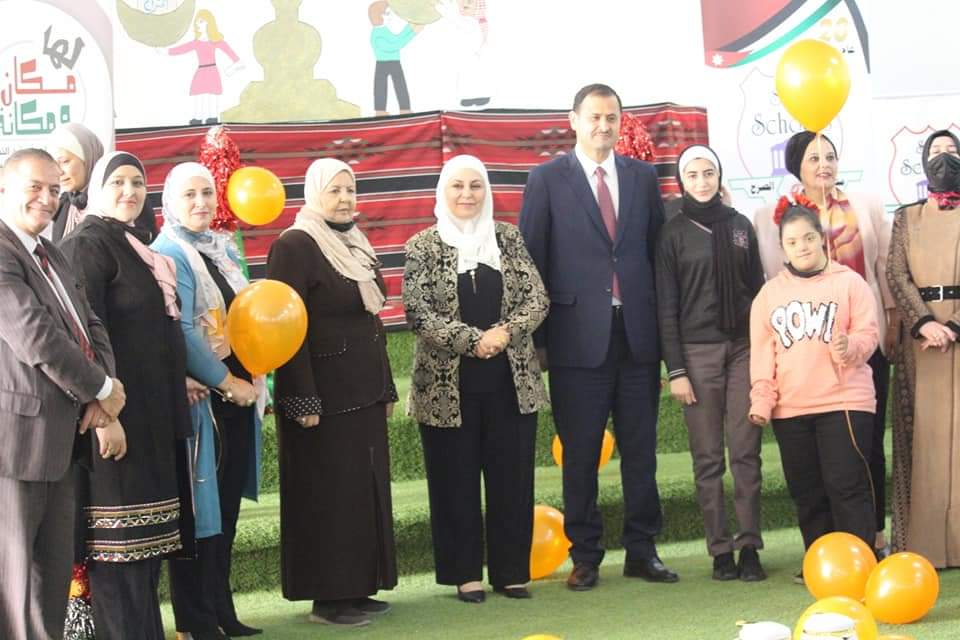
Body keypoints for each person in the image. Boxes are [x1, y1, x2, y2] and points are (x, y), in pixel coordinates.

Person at [519, 83, 676, 590]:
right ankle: (585, 555)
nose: (603, 126)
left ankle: (642, 550)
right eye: (594, 117)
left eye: (611, 118)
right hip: (574, 343)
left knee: (641, 454)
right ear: (574, 120)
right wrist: (539, 344)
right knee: (581, 455)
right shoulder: (547, 180)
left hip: (636, 339)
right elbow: (531, 264)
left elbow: (655, 254)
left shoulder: (642, 177)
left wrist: (661, 339)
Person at [59, 152, 192, 639]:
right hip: (115, 426)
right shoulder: (87, 245)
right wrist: (103, 415)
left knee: (144, 562)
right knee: (118, 564)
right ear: (97, 188)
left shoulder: (134, 243)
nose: (129, 192)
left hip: (150, 422)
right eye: (117, 182)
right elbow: (83, 336)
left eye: (137, 182)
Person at [404, 155, 549, 603]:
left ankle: (511, 572)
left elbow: (537, 298)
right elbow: (418, 311)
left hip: (511, 384)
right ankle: (464, 574)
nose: (467, 194)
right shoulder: (422, 245)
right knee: (454, 483)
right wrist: (473, 341)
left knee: (512, 481)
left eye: (476, 186)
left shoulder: (508, 238)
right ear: (443, 191)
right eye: (458, 186)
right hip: (446, 390)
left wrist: (504, 333)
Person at [0, 148, 126, 639]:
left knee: (50, 583)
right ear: (4, 188)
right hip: (17, 445)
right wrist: (101, 387)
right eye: (34, 187)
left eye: (55, 189)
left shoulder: (50, 252)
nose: (47, 199)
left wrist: (104, 390)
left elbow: (90, 325)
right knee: (15, 587)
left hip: (62, 440)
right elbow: (36, 337)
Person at [267, 158, 398, 627]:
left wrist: (385, 388)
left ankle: (357, 587)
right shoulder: (294, 245)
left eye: (350, 190)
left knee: (360, 491)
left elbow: (371, 321)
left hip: (362, 391)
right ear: (313, 193)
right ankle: (329, 598)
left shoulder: (353, 242)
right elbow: (285, 328)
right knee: (328, 495)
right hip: (322, 397)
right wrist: (302, 399)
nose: (344, 199)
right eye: (334, 190)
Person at [754, 131, 895, 557]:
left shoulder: (863, 206)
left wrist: (883, 326)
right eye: (814, 158)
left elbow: (883, 266)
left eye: (830, 156)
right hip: (803, 353)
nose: (824, 165)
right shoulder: (773, 216)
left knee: (863, 454)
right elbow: (771, 285)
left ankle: (870, 540)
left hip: (861, 344)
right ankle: (825, 556)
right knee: (812, 480)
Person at [153, 162, 262, 640]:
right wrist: (225, 380)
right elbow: (179, 330)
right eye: (189, 195)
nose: (200, 202)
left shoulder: (220, 248)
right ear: (169, 203)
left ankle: (221, 610)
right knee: (200, 512)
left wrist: (249, 379)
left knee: (226, 509)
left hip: (237, 395)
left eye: (206, 193)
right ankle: (195, 619)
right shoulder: (167, 253)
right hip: (204, 398)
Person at [655, 145, 766, 581]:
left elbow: (758, 292)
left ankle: (750, 545)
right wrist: (676, 371)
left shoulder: (740, 226)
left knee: (746, 452)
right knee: (707, 459)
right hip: (696, 354)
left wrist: (763, 354)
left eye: (709, 173)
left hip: (743, 350)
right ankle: (720, 550)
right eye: (693, 175)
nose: (702, 182)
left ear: (719, 177)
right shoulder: (672, 233)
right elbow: (666, 308)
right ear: (682, 181)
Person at [886, 129, 960, 568]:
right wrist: (925, 322)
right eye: (936, 151)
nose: (944, 158)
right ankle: (921, 545)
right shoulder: (906, 217)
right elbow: (896, 273)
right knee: (920, 440)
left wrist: (954, 324)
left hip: (956, 330)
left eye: (951, 151)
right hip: (920, 341)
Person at [48, 123, 158, 243]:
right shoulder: (64, 205)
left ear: (88, 157)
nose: (59, 171)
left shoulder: (125, 199)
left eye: (64, 161)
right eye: (53, 164)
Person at [167, 9, 243, 125]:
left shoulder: (216, 41)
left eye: (201, 21)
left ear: (209, 22)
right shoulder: (196, 42)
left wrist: (230, 69)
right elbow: (182, 49)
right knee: (198, 94)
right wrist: (166, 51)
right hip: (201, 71)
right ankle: (197, 118)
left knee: (212, 96)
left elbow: (236, 59)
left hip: (212, 71)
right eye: (197, 22)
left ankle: (212, 117)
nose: (198, 24)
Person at [368, 1, 422, 116]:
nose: (390, 16)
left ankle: (404, 109)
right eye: (387, 13)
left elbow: (397, 38)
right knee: (381, 87)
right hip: (383, 64)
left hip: (394, 62)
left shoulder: (385, 30)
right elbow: (395, 45)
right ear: (379, 16)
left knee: (400, 85)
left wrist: (411, 26)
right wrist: (413, 33)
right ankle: (380, 111)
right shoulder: (377, 34)